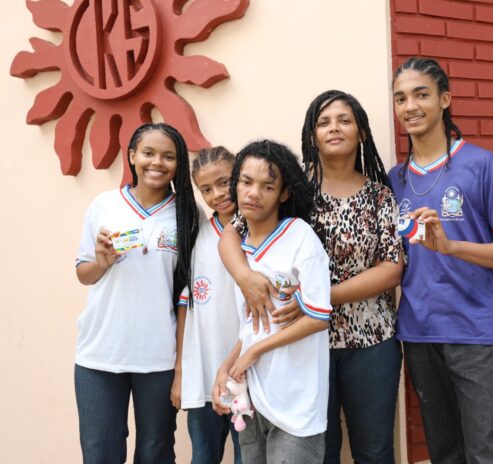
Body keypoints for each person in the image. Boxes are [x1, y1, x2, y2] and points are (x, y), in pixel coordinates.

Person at [218, 90, 404, 463]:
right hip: (299, 347)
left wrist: (316, 299)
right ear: (311, 135)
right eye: (324, 122)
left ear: (361, 133)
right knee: (318, 451)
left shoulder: (379, 196)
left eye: (344, 120)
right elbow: (231, 234)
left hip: (369, 341)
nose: (334, 128)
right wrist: (244, 276)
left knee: (374, 450)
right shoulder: (291, 191)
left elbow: (392, 268)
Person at [388, 57, 493, 464]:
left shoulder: (480, 164)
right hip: (419, 332)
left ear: (445, 99)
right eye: (401, 98)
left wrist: (452, 247)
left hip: (475, 331)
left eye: (421, 94)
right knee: (445, 453)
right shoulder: (395, 179)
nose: (410, 106)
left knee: (487, 454)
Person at [74, 122, 199, 463]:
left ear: (178, 163)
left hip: (157, 357)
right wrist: (102, 263)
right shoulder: (104, 204)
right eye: (148, 153)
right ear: (132, 156)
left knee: (155, 452)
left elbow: (187, 295)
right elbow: (83, 274)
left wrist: (181, 365)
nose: (157, 162)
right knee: (100, 452)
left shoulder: (188, 215)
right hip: (100, 353)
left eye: (168, 156)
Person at [212, 140, 332, 464]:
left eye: (267, 186)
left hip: (295, 403)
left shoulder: (299, 236)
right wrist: (227, 367)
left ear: (283, 193)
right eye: (246, 182)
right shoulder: (240, 249)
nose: (254, 193)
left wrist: (255, 352)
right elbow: (253, 327)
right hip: (251, 399)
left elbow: (318, 317)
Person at [170, 146, 242, 463]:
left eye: (224, 182)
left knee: (249, 456)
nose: (217, 194)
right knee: (203, 455)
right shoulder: (197, 234)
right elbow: (187, 305)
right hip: (203, 370)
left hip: (246, 371)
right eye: (206, 189)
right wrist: (181, 371)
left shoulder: (260, 228)